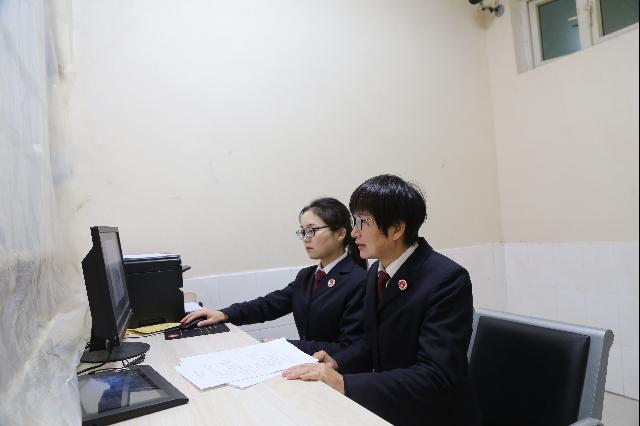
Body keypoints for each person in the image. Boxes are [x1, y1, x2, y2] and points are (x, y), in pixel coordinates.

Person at [283, 175, 479, 426]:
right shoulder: (377, 271)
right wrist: (338, 361)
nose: (354, 232)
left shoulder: (446, 279)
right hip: (391, 406)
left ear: (396, 228)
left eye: (363, 222)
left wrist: (344, 382)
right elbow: (371, 341)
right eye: (354, 221)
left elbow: (436, 375)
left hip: (433, 415)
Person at [181, 197, 368, 356]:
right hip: (311, 367)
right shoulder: (307, 276)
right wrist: (224, 314)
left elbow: (351, 348)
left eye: (312, 230)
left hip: (340, 375)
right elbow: (268, 305)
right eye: (303, 231)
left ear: (340, 234)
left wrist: (287, 346)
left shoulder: (358, 281)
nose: (306, 237)